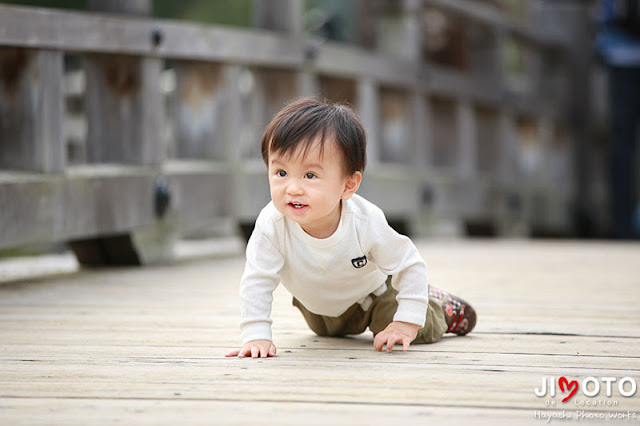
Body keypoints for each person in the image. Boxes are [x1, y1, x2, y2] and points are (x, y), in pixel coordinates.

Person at [225, 97, 476, 359]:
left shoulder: (365, 221)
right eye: (281, 173)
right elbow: (257, 281)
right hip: (318, 309)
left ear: (348, 185)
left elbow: (409, 264)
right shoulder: (272, 224)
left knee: (407, 328)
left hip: (374, 296)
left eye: (310, 176)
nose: (293, 188)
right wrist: (256, 335)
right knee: (326, 332)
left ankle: (440, 308)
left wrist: (406, 322)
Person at [596, 0, 640, 239]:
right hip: (621, 52)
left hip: (619, 54)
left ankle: (622, 226)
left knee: (621, 143)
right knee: (622, 144)